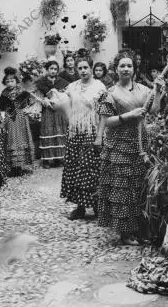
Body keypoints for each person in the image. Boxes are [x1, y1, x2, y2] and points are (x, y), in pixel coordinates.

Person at [97, 49, 163, 245]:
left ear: (134, 69)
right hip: (119, 146)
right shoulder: (109, 94)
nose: (126, 69)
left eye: (129, 66)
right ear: (115, 70)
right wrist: (129, 115)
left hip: (141, 143)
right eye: (122, 66)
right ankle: (125, 232)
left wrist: (158, 93)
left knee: (140, 187)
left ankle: (141, 229)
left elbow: (153, 111)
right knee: (123, 188)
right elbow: (106, 122)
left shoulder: (144, 90)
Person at [60, 54, 106, 220]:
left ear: (91, 68)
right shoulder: (71, 86)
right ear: (76, 69)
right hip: (75, 132)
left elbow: (104, 113)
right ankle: (79, 208)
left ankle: (96, 206)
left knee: (91, 169)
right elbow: (62, 102)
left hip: (92, 131)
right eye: (80, 68)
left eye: (86, 67)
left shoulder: (100, 87)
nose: (83, 71)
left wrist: (100, 136)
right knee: (75, 168)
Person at [0, 67, 34, 176]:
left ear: (16, 81)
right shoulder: (4, 93)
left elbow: (30, 102)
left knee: (21, 138)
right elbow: (1, 106)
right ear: (4, 83)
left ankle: (22, 165)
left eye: (12, 81)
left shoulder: (21, 91)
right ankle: (13, 166)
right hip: (10, 119)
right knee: (12, 139)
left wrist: (27, 109)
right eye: (7, 81)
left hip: (21, 117)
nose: (10, 83)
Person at [36, 61, 68, 167]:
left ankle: (59, 158)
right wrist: (44, 99)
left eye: (55, 69)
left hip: (58, 109)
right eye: (51, 68)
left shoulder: (62, 82)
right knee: (48, 131)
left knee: (59, 130)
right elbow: (38, 96)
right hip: (47, 110)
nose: (53, 71)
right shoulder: (41, 82)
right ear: (47, 69)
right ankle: (46, 159)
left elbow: (66, 95)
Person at [21, 69, 44, 160]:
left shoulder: (40, 91)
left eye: (33, 81)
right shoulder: (26, 93)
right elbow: (26, 103)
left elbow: (40, 102)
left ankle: (39, 152)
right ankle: (33, 153)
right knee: (31, 132)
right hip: (30, 113)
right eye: (30, 81)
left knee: (39, 130)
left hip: (38, 111)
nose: (32, 83)